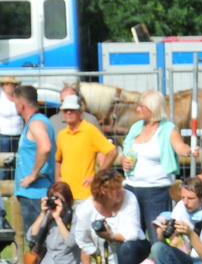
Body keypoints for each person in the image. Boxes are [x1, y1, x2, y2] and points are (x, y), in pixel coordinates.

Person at [73, 167, 148, 264]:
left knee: (127, 247)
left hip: (135, 250)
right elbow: (82, 240)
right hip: (109, 260)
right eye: (114, 189)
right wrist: (101, 261)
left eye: (120, 186)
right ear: (103, 190)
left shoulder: (129, 197)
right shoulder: (85, 210)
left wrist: (110, 236)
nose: (120, 191)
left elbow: (131, 235)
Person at [119, 91, 186, 235]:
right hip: (131, 189)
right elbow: (126, 151)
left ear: (153, 108)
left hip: (157, 192)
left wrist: (189, 151)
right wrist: (123, 160)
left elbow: (180, 147)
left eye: (141, 106)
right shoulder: (135, 127)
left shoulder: (168, 129)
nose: (137, 109)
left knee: (158, 236)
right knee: (131, 235)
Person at [22, 180, 83, 264]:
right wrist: (43, 213)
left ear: (67, 200)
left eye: (59, 199)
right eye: (52, 198)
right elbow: (30, 237)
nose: (55, 202)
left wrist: (58, 219)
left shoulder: (75, 217)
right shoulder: (48, 216)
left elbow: (70, 242)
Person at [12, 85, 54, 236]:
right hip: (35, 194)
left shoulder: (36, 123)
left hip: (34, 195)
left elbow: (45, 147)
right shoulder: (40, 121)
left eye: (15, 102)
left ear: (21, 104)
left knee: (35, 241)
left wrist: (33, 175)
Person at [55, 93, 115, 198]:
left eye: (72, 110)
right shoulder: (62, 135)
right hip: (65, 194)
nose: (68, 113)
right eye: (65, 110)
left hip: (84, 194)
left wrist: (97, 177)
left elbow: (113, 152)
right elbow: (58, 160)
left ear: (80, 111)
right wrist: (57, 179)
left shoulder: (90, 130)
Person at [0, 75, 21, 156]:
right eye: (7, 84)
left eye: (11, 84)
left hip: (19, 133)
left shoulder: (19, 96)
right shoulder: (1, 96)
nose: (9, 86)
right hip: (4, 134)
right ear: (3, 85)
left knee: (18, 158)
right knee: (4, 159)